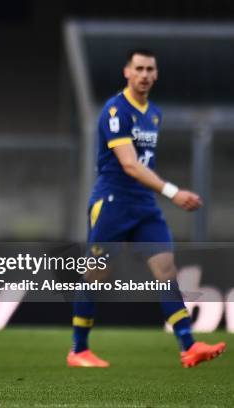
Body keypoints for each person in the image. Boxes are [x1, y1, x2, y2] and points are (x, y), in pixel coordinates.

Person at [67, 49, 225, 368]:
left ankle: (188, 346)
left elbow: (145, 163)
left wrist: (161, 193)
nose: (144, 74)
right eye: (138, 68)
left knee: (165, 270)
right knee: (95, 275)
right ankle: (79, 350)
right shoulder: (115, 111)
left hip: (144, 206)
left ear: (156, 74)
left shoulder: (154, 113)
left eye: (150, 69)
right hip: (112, 203)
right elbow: (129, 165)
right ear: (126, 72)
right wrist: (173, 191)